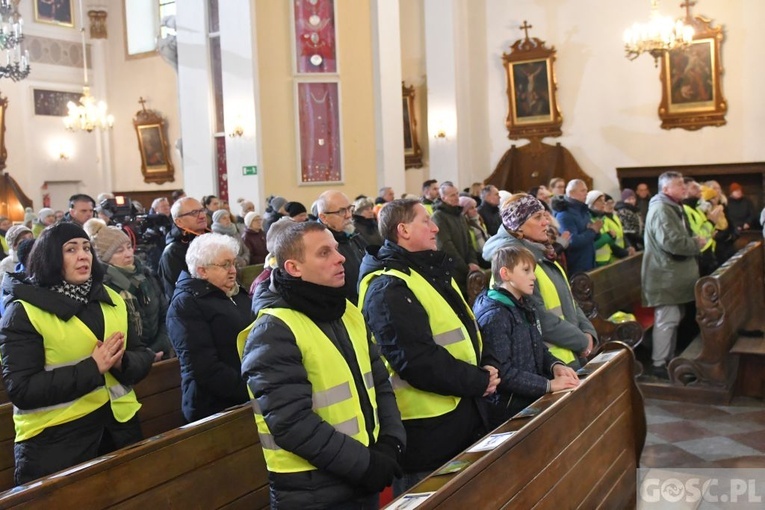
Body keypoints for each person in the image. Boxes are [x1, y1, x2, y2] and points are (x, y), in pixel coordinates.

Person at [240, 221, 405, 508]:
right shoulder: (274, 330)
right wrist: (365, 465)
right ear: (294, 267)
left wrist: (391, 442)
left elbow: (379, 382)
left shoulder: (346, 312)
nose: (340, 257)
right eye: (324, 253)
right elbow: (292, 422)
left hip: (363, 474)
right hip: (312, 490)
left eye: (337, 249)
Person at [358, 198, 499, 494]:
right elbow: (416, 361)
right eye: (426, 221)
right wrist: (478, 381)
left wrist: (487, 364)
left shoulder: (428, 271)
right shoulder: (388, 287)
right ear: (403, 230)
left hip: (459, 416)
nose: (435, 227)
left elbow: (466, 327)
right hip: (425, 433)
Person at [0, 222, 154, 484]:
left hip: (119, 429)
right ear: (49, 258)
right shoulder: (24, 312)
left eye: (86, 248)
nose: (83, 255)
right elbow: (22, 389)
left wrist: (122, 362)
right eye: (71, 249)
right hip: (56, 442)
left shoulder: (111, 298)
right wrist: (93, 368)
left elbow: (141, 354)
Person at [483, 193, 596, 368]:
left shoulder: (543, 253)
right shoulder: (516, 262)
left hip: (570, 355)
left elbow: (569, 300)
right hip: (551, 363)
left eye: (544, 215)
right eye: (537, 217)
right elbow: (538, 318)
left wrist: (588, 331)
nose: (546, 222)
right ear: (518, 227)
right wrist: (581, 341)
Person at [473, 245, 579, 427]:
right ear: (505, 274)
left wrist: (555, 366)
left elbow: (538, 345)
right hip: (509, 409)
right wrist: (548, 385)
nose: (534, 276)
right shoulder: (495, 315)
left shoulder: (524, 304)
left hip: (530, 398)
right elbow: (503, 372)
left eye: (533, 271)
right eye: (526, 270)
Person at [166, 233, 252, 422]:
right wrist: (252, 388)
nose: (233, 271)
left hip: (248, 393)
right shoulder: (186, 304)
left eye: (233, 263)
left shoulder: (235, 292)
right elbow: (204, 368)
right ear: (202, 271)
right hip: (214, 407)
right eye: (225, 265)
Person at [642, 172, 705, 380]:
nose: (684, 188)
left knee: (674, 318)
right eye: (679, 185)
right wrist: (695, 243)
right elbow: (672, 243)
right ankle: (659, 364)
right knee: (667, 319)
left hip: (672, 275)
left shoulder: (672, 207)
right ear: (666, 189)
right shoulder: (662, 209)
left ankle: (668, 359)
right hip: (665, 275)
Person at [84, 219, 172, 360]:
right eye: (119, 251)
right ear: (104, 257)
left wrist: (159, 346)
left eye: (129, 247)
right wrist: (144, 356)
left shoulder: (146, 275)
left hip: (161, 352)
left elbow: (165, 313)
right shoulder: (101, 286)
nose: (128, 253)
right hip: (129, 360)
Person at [317, 190, 368, 305]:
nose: (349, 215)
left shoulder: (354, 235)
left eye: (349, 208)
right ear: (324, 217)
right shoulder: (319, 246)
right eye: (341, 211)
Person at [432, 183, 481, 295]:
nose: (456, 197)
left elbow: (469, 242)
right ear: (443, 198)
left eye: (457, 193)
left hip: (466, 269)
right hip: (453, 272)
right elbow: (445, 246)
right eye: (452, 195)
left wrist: (472, 262)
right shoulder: (438, 217)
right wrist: (465, 267)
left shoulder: (460, 215)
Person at [158, 197, 209, 300]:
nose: (202, 216)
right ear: (179, 221)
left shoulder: (212, 238)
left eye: (202, 210)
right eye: (194, 212)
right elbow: (178, 293)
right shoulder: (172, 252)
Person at [555, 180, 602, 275]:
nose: (586, 193)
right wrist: (593, 230)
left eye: (586, 190)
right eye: (582, 191)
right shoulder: (564, 214)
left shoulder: (583, 211)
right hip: (576, 267)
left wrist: (596, 232)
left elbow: (591, 237)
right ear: (571, 193)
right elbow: (572, 241)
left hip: (589, 263)